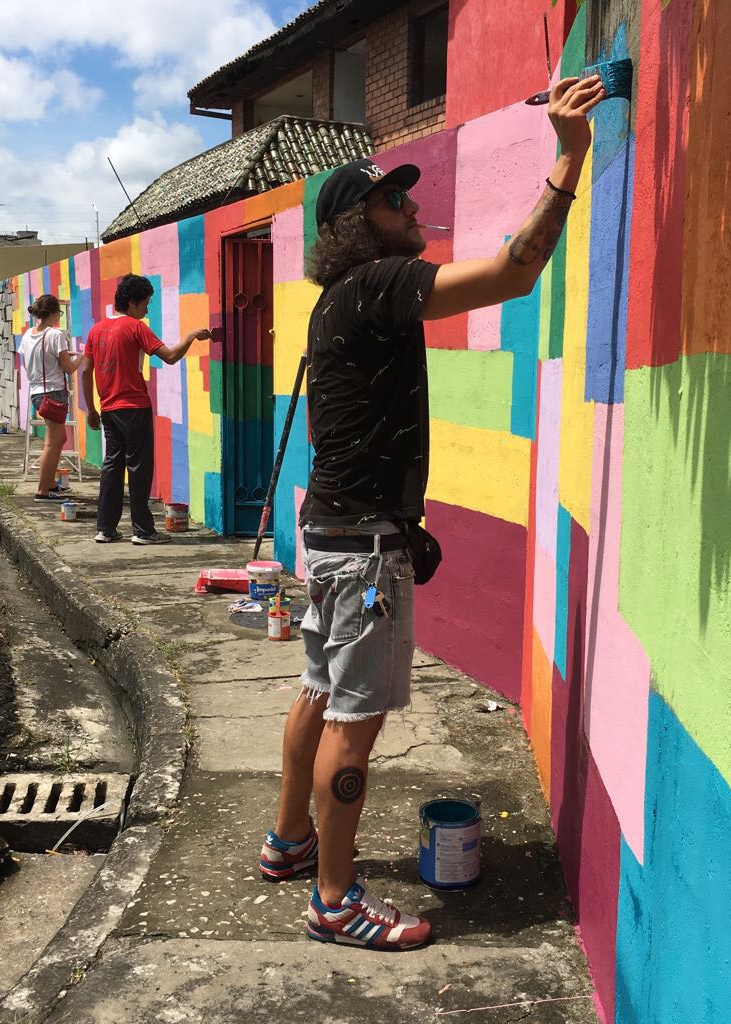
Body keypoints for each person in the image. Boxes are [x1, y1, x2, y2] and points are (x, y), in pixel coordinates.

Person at [260, 74, 606, 950]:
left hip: (331, 538)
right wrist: (569, 156)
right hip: (364, 551)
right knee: (354, 721)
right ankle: (334, 903)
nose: (409, 211)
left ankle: (290, 842)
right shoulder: (377, 284)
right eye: (388, 202)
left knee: (315, 691)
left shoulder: (336, 303)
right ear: (353, 227)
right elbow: (514, 275)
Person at [80, 273, 211, 545]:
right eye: (146, 303)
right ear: (132, 302)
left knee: (112, 466)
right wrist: (191, 336)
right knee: (139, 468)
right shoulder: (135, 328)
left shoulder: (96, 330)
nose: (148, 309)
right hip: (135, 407)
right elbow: (171, 356)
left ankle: (105, 528)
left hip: (108, 409)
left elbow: (85, 370)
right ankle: (143, 531)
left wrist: (91, 409)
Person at [18, 294, 82, 502]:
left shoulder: (28, 335)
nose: (59, 317)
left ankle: (51, 483)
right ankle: (42, 491)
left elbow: (31, 363)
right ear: (54, 313)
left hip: (37, 392)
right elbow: (70, 368)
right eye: (59, 313)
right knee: (52, 443)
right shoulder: (56, 335)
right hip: (54, 392)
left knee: (60, 439)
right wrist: (83, 355)